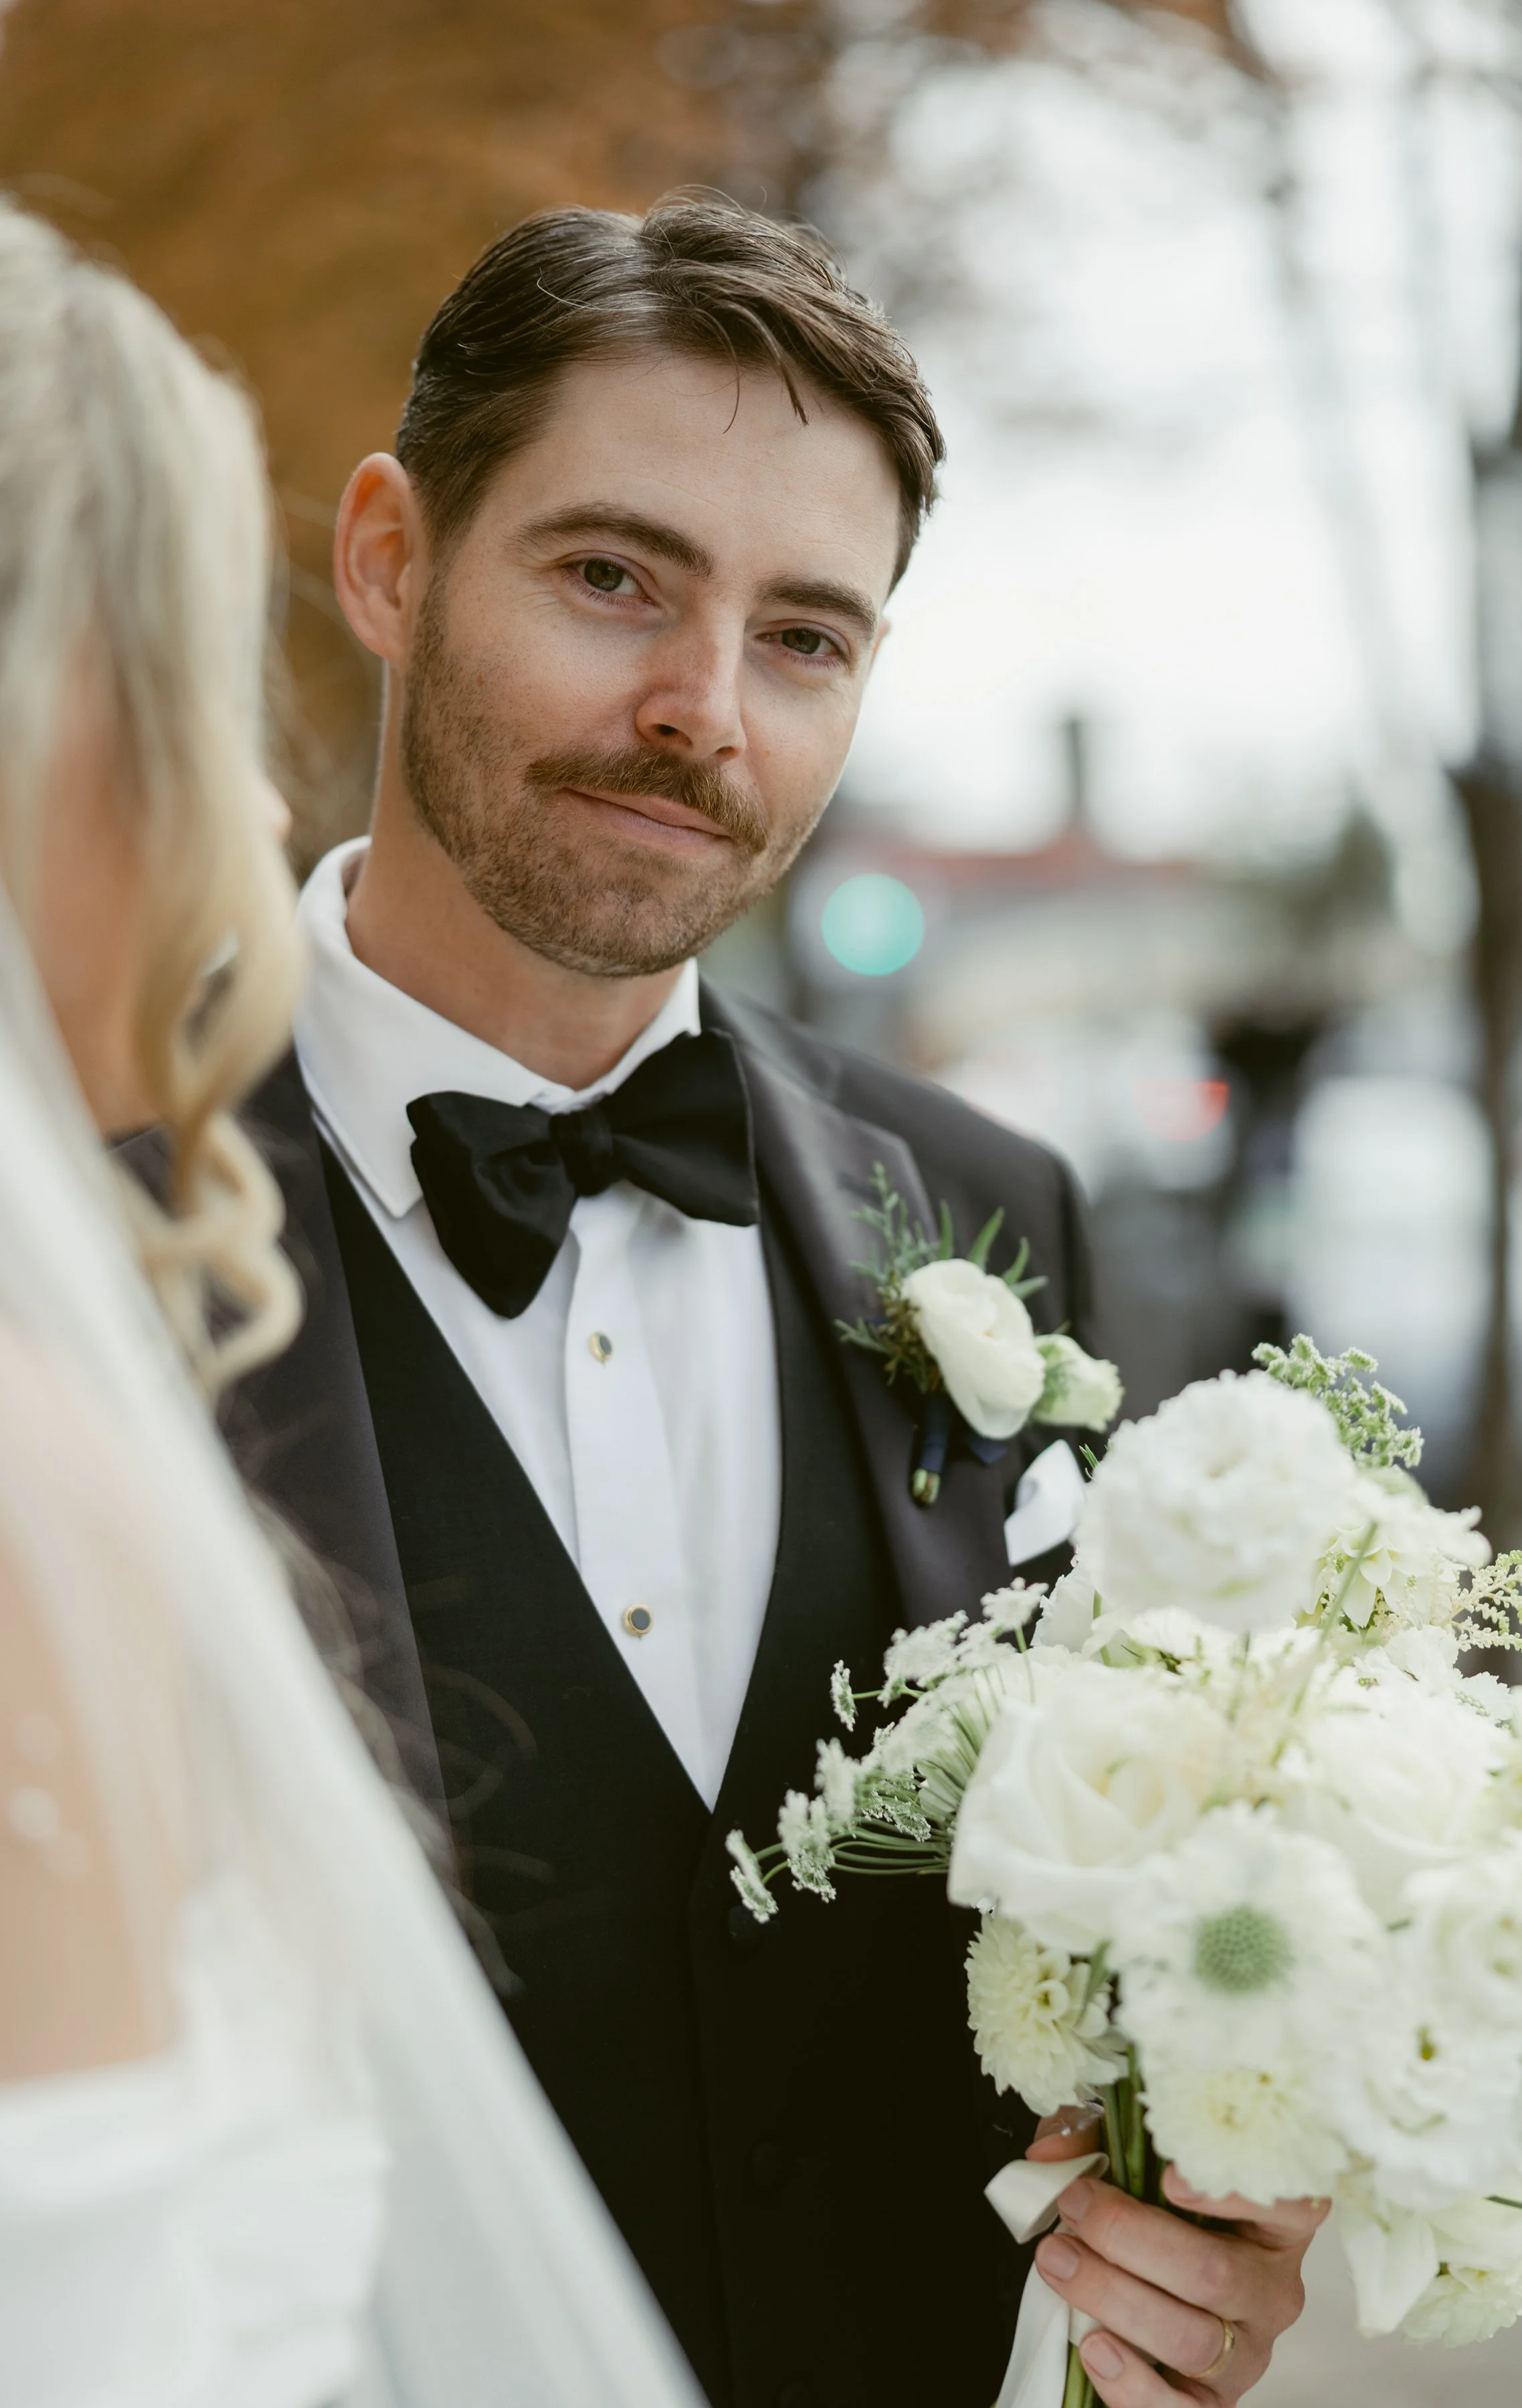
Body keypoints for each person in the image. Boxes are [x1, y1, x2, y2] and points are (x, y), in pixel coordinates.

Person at [234, 193, 1323, 2406]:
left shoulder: (991, 1209)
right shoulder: (89, 1212)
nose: (696, 711)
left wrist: (1205, 2208)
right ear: (389, 559)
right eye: (613, 575)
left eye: (806, 636)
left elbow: (1100, 1955)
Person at [0, 199, 706, 2408]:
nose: (244, 781)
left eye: (814, 632)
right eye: (194, 682)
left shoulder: (987, 1213)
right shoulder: (43, 1467)